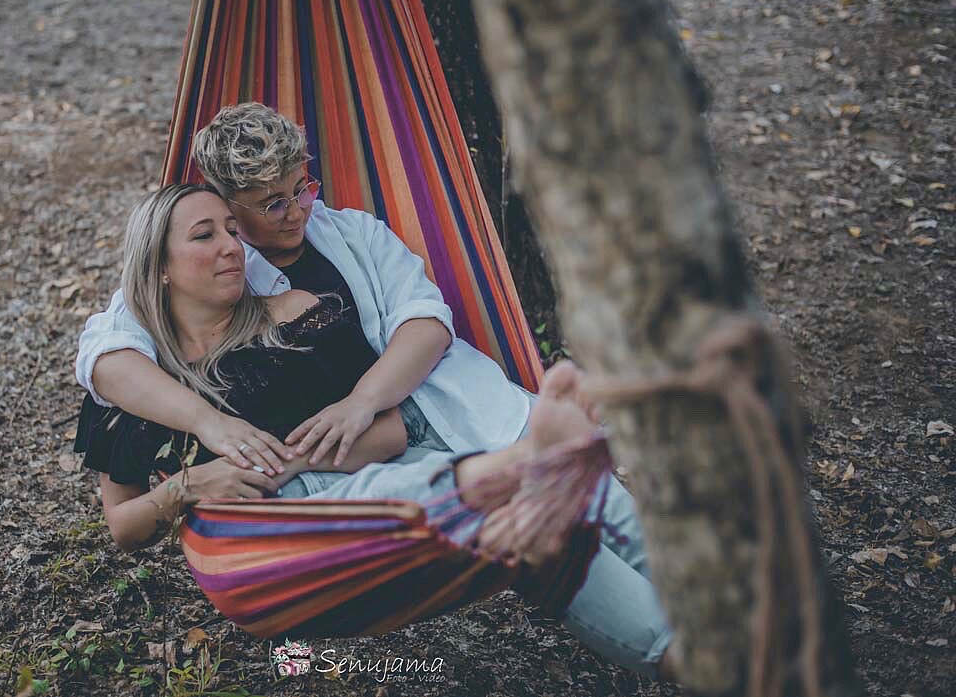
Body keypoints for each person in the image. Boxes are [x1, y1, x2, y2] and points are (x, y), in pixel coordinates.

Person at [75, 183, 675, 679]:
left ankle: (710, 653)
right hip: (255, 545)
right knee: (508, 510)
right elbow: (124, 526)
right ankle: (513, 473)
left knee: (536, 529)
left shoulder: (293, 321)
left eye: (233, 230)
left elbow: (389, 435)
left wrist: (284, 461)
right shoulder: (133, 383)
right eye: (205, 236)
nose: (232, 247)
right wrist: (185, 486)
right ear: (157, 270)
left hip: (347, 495)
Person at [75, 103, 534, 483]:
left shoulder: (354, 232)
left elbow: (427, 324)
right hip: (347, 463)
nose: (295, 213)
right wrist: (209, 424)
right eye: (272, 203)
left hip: (453, 405)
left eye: (302, 189)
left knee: (575, 485)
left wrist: (362, 403)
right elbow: (107, 356)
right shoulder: (210, 268)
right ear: (225, 199)